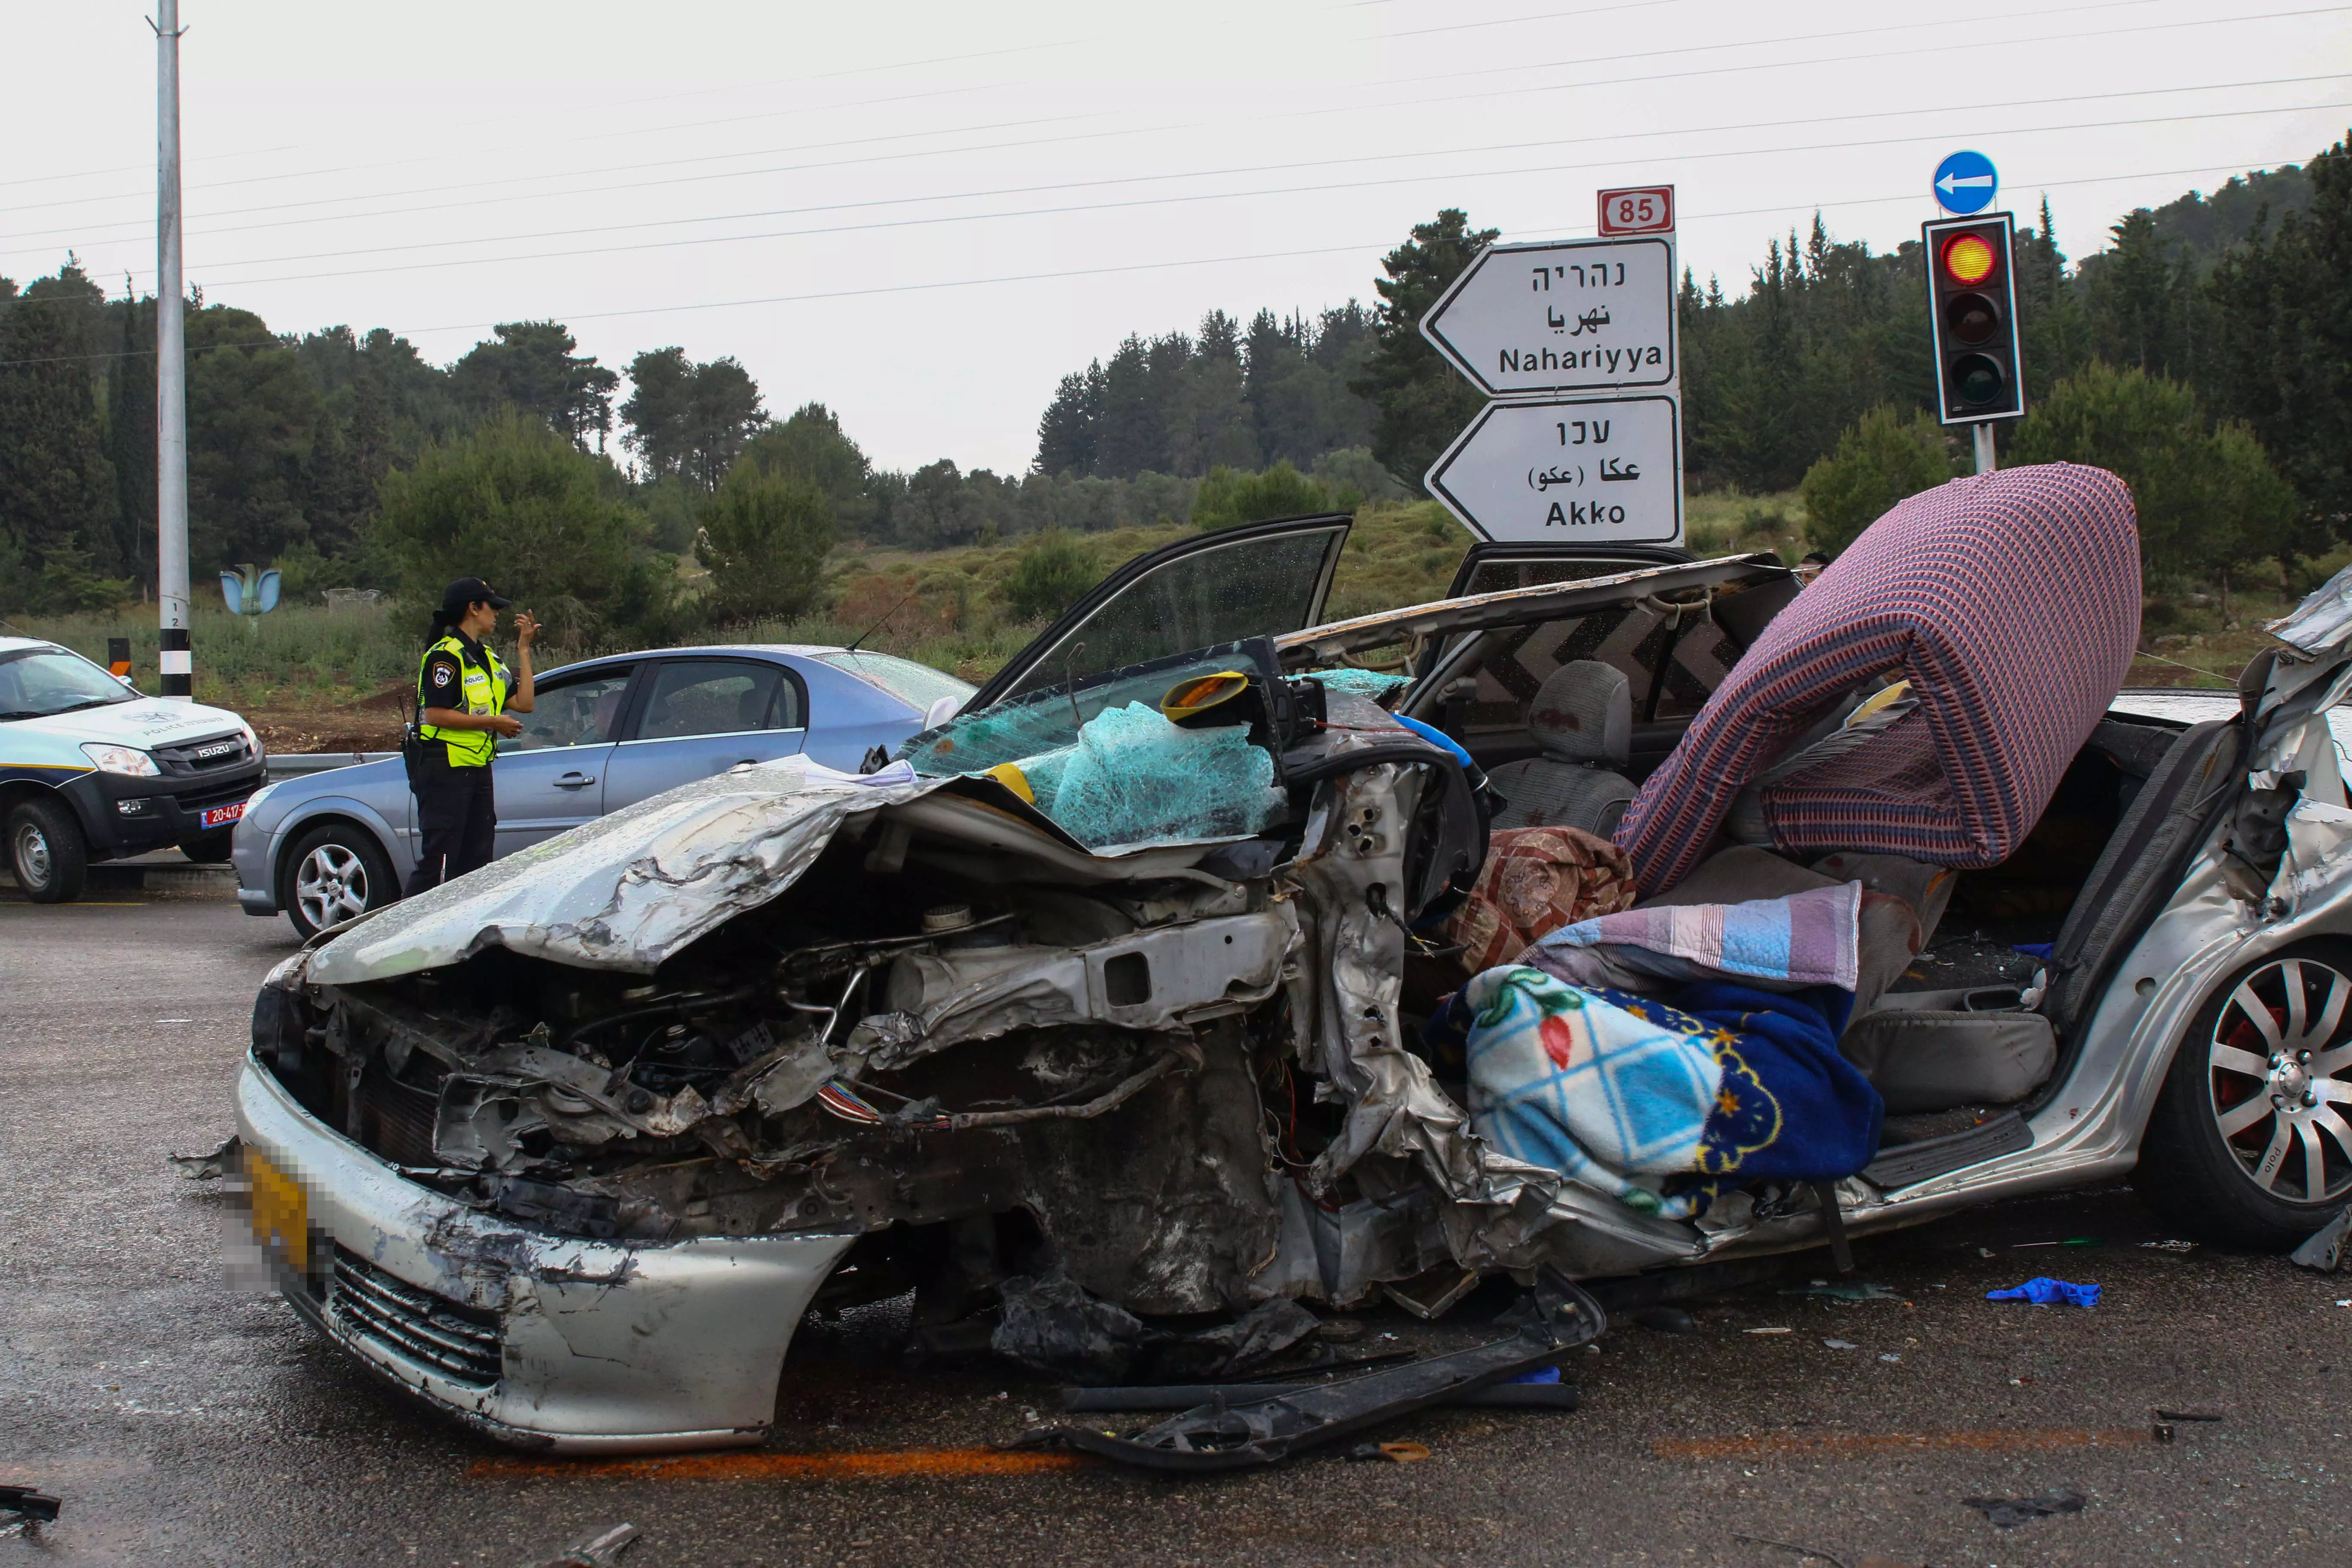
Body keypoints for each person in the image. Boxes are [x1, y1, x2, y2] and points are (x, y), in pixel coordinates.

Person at [405, 578, 537, 896]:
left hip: (477, 769)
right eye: (492, 607)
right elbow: (434, 715)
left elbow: (525, 703)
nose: (497, 614)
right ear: (473, 608)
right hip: (445, 769)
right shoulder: (445, 656)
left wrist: (524, 650)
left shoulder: (488, 658)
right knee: (438, 863)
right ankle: (403, 933)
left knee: (477, 864)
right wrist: (494, 722)